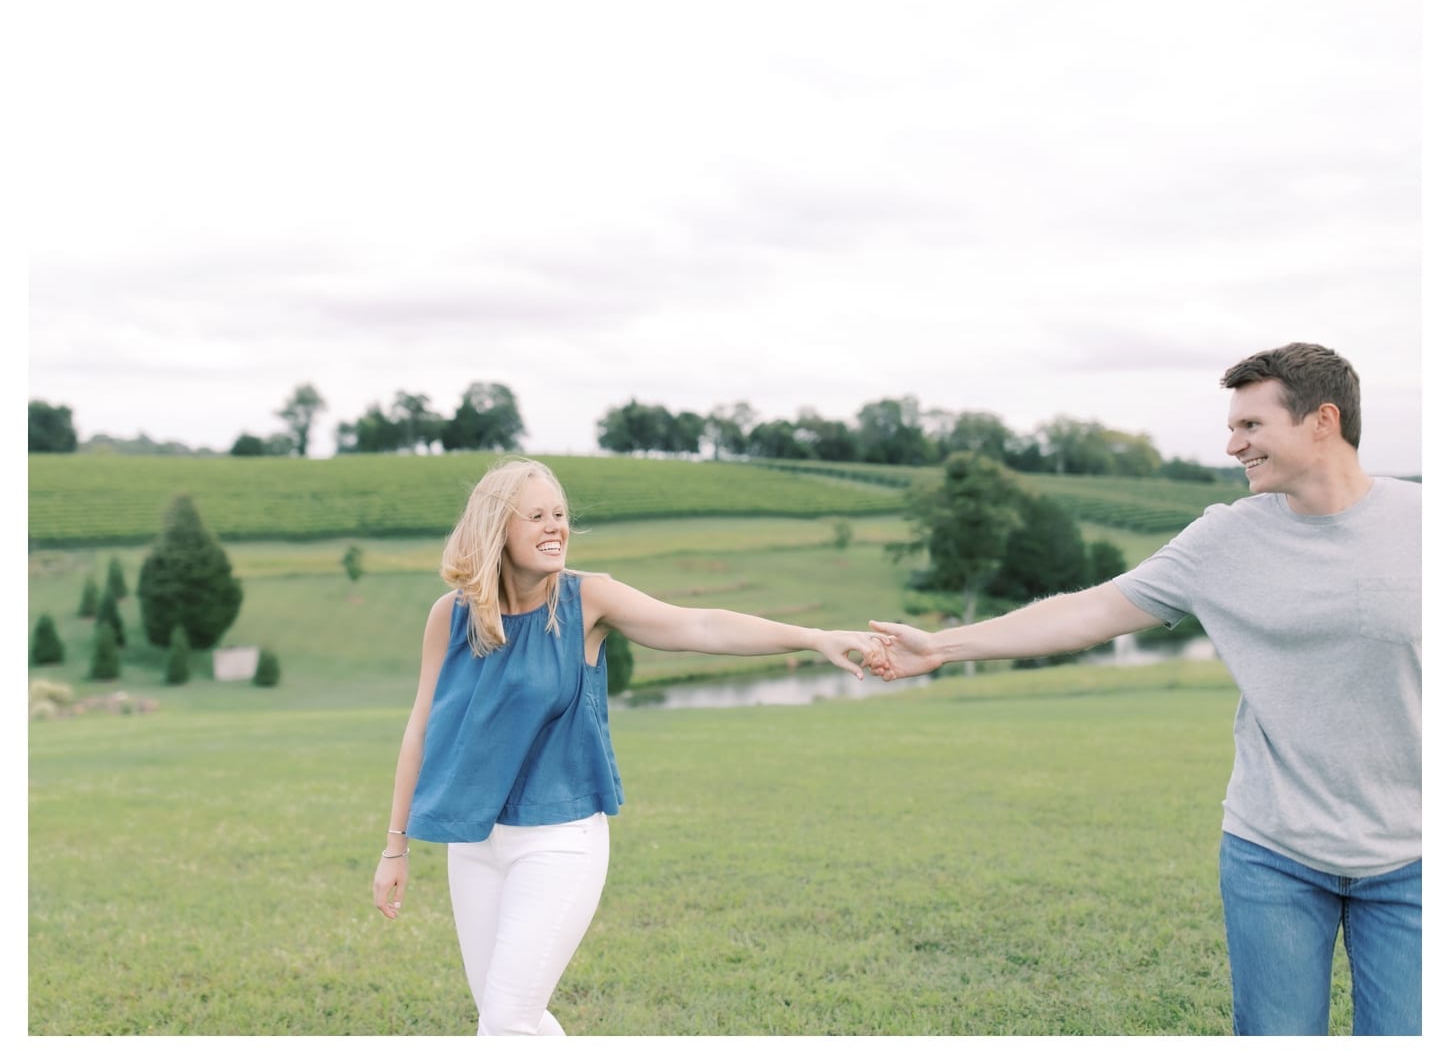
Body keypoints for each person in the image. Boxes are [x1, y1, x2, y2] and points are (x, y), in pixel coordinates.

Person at [869, 343, 1420, 1036]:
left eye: (1251, 425)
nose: (1232, 444)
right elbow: (1093, 611)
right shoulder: (1223, 540)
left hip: (1418, 856)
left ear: (1322, 421)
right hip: (1273, 852)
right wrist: (944, 646)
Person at [371, 456, 881, 1036]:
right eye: (535, 515)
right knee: (513, 1021)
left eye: (559, 514)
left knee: (506, 1025)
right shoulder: (451, 616)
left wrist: (814, 637)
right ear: (496, 529)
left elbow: (702, 627)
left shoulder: (588, 601)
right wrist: (396, 848)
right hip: (474, 845)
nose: (554, 527)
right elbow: (421, 730)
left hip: (558, 842)